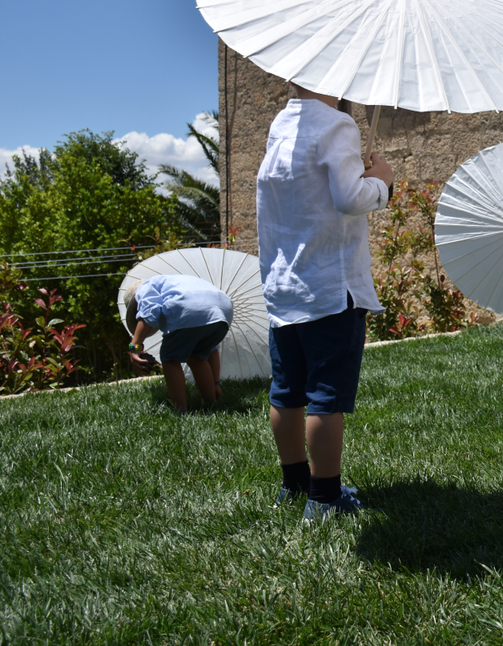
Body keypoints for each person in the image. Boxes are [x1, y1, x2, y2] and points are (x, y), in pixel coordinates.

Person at [257, 82, 394, 522]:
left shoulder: (282, 124)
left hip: (285, 285)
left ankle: (294, 483)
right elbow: (349, 198)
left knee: (287, 389)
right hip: (331, 286)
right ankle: (325, 497)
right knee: (326, 395)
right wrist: (382, 183)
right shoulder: (337, 124)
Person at [124, 275, 234, 412]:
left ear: (135, 308)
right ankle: (210, 404)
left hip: (187, 309)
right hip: (223, 311)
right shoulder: (175, 285)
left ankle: (181, 411)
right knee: (198, 356)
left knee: (170, 358)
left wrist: (134, 347)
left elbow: (149, 312)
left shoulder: (145, 289)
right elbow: (212, 349)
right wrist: (216, 383)